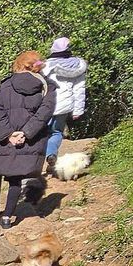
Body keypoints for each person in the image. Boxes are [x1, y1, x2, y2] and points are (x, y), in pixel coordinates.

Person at [0, 51, 56, 229]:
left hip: (2, 136)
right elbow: (44, 113)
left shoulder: (6, 84)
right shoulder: (47, 86)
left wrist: (8, 134)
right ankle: (7, 217)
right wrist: (26, 133)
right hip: (29, 139)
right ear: (35, 65)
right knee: (16, 177)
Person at [43, 36, 88, 175]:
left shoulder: (45, 65)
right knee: (56, 132)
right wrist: (78, 110)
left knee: (41, 133)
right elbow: (79, 89)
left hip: (46, 104)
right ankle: (51, 154)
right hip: (64, 106)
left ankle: (36, 161)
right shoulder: (78, 66)